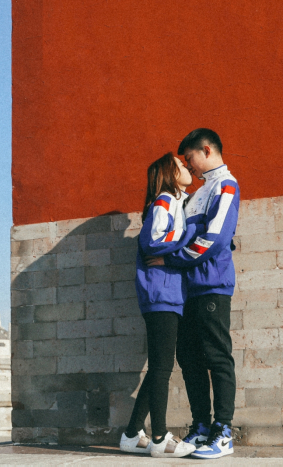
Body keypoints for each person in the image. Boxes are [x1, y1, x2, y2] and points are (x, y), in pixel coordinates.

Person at [146, 129, 239, 459]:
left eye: (190, 159)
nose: (190, 165)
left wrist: (171, 259)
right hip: (187, 290)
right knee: (189, 359)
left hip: (211, 285)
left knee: (217, 355)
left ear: (207, 149)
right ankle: (201, 426)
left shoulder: (226, 185)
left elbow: (214, 239)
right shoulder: (197, 193)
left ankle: (223, 430)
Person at [120, 153, 197, 458]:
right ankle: (160, 438)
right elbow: (153, 241)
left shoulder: (174, 201)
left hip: (167, 294)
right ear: (169, 174)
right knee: (162, 368)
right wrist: (190, 234)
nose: (186, 168)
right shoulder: (164, 200)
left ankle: (131, 434)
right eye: (180, 165)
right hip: (160, 293)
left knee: (159, 368)